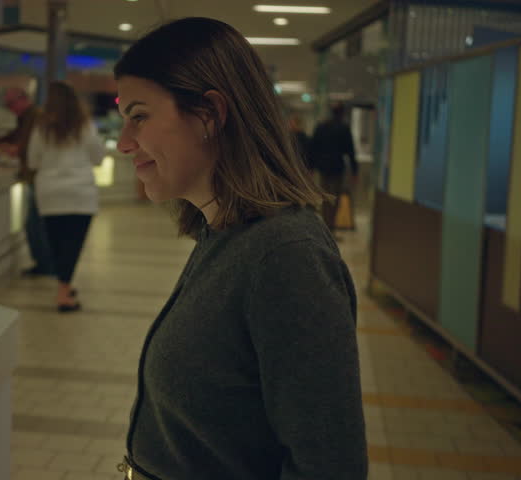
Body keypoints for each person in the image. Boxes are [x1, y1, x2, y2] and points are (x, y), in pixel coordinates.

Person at [114, 17, 367, 479]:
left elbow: (328, 465)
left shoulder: (285, 256)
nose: (123, 143)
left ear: (209, 114)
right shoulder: (224, 235)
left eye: (140, 116)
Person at [27, 81, 104, 312]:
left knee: (56, 242)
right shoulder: (85, 125)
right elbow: (98, 157)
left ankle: (64, 285)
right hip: (80, 192)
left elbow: (32, 160)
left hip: (50, 192)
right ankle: (63, 293)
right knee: (73, 243)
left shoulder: (41, 127)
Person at [0, 87, 55, 276]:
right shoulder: (28, 116)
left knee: (35, 224)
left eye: (11, 104)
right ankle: (44, 264)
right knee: (34, 224)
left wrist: (12, 150)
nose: (10, 108)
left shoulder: (35, 117)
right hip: (35, 176)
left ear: (23, 100)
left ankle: (45, 265)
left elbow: (26, 144)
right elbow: (13, 137)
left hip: (37, 176)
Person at [309, 103, 359, 230]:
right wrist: (354, 171)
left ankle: (325, 224)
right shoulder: (344, 128)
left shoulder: (322, 126)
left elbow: (313, 148)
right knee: (334, 198)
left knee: (325, 197)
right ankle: (331, 226)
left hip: (323, 167)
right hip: (337, 167)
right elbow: (350, 151)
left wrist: (311, 167)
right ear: (342, 113)